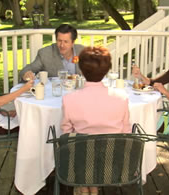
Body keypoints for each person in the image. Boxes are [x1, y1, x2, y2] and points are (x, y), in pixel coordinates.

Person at [61, 46, 131, 195]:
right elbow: (126, 132)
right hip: (112, 163)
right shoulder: (122, 98)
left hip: (80, 164)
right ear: (106, 71)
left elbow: (66, 134)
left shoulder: (69, 99)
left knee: (80, 148)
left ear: (81, 70)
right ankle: (92, 187)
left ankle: (86, 186)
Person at [19, 24, 84, 82]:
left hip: (79, 92)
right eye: (59, 41)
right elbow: (25, 70)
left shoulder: (82, 51)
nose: (62, 45)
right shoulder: (45, 53)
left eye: (66, 42)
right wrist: (26, 74)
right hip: (56, 92)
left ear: (73, 42)